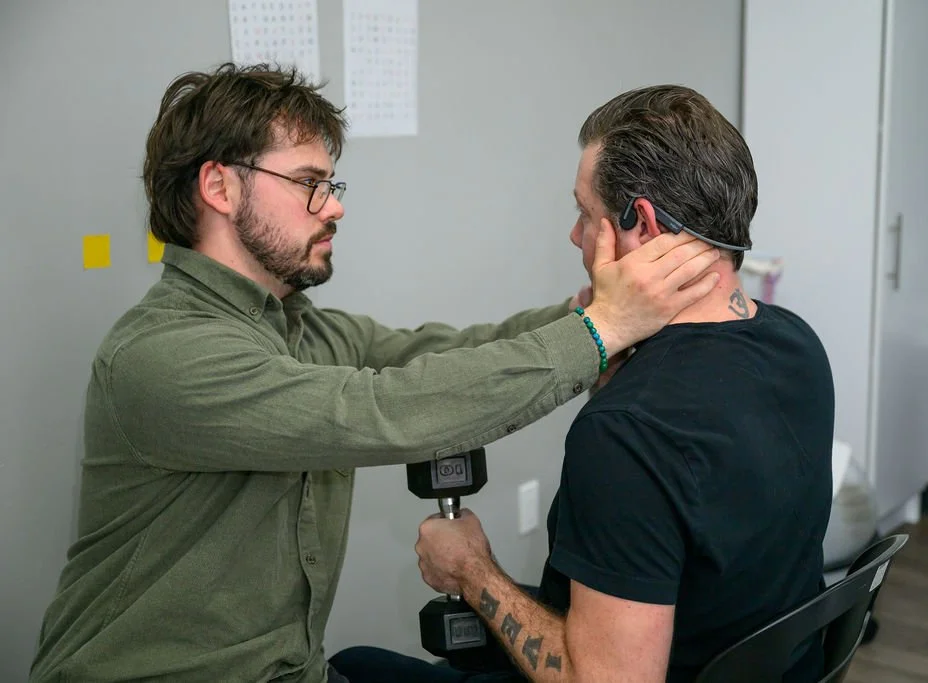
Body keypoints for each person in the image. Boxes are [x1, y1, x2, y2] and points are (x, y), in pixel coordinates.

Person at [27, 64, 723, 683]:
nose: (334, 205)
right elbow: (383, 408)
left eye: (330, 184)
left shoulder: (305, 331)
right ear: (219, 186)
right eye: (308, 184)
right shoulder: (161, 357)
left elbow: (449, 354)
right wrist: (600, 332)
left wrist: (589, 313)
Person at [331, 85, 836, 682]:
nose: (575, 235)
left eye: (584, 212)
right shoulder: (797, 343)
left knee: (351, 666)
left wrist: (472, 570)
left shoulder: (627, 431)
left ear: (641, 224)